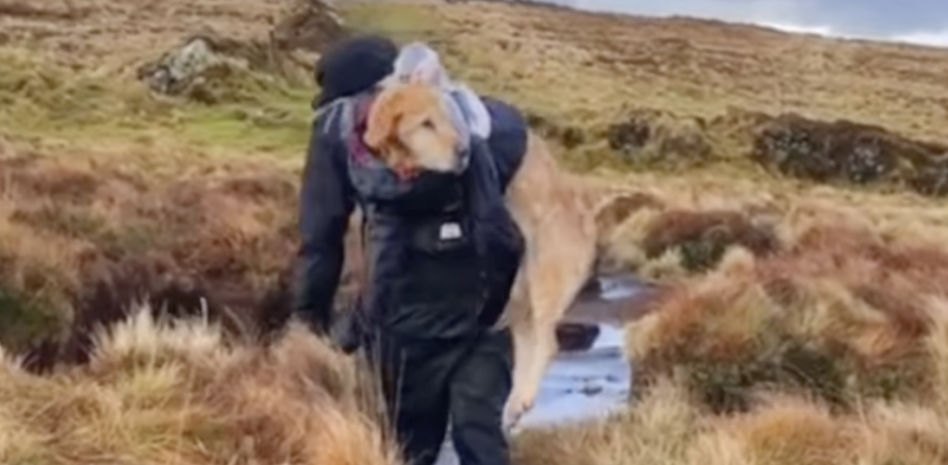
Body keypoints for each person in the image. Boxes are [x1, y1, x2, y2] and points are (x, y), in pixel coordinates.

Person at [292, 35, 528, 465]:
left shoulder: (338, 137)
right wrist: (492, 311)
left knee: (409, 444)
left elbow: (320, 239)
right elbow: (502, 239)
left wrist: (308, 322)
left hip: (399, 325)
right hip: (470, 321)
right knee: (476, 437)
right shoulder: (468, 127)